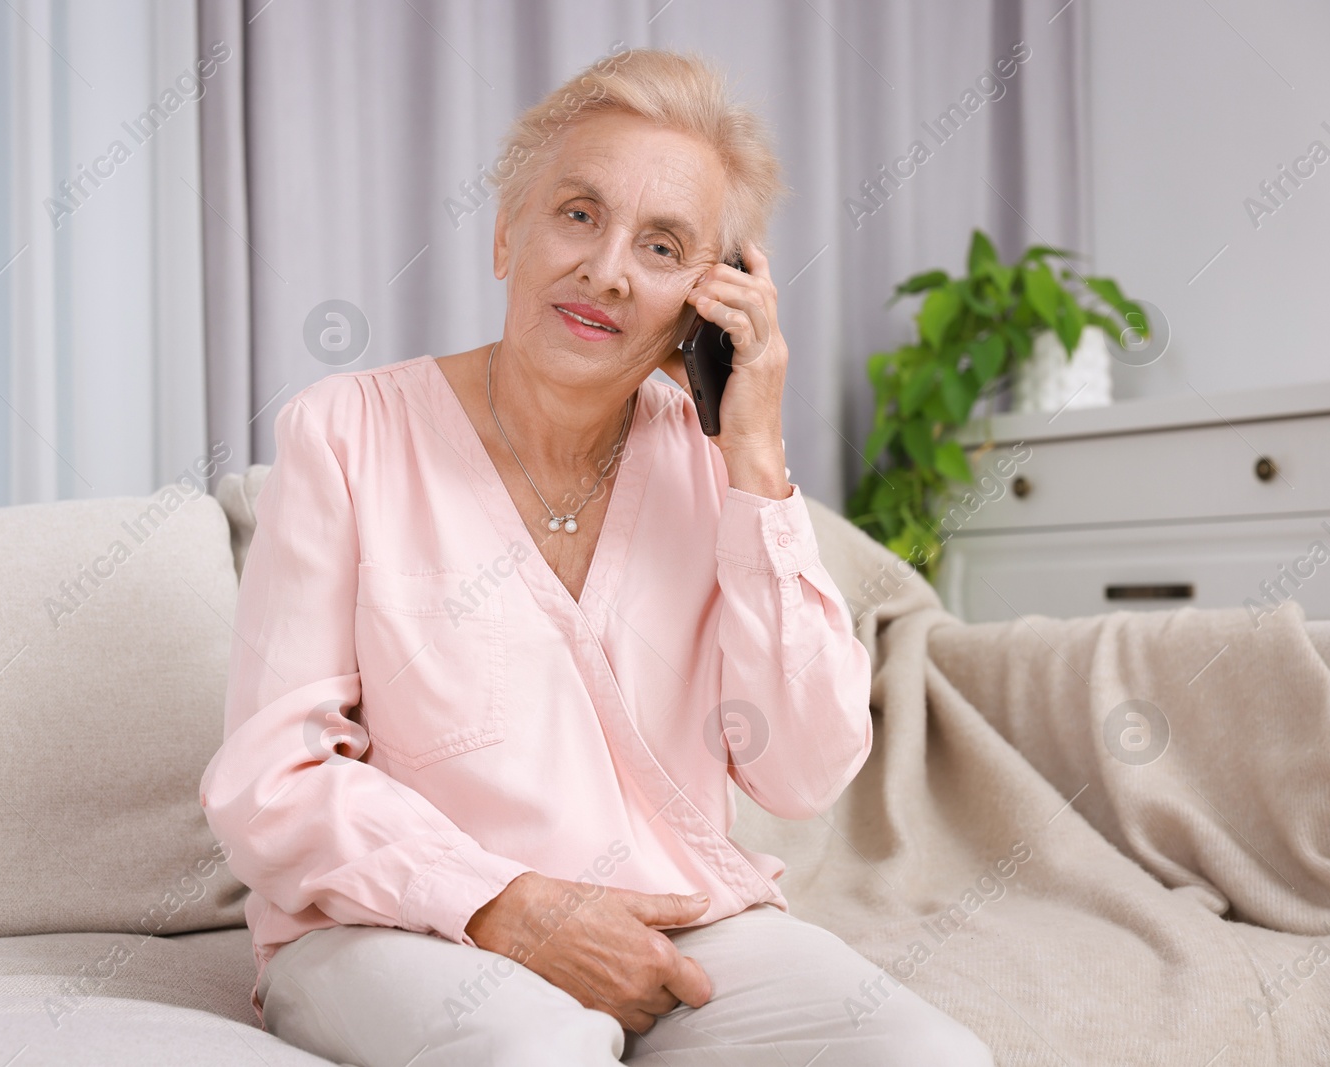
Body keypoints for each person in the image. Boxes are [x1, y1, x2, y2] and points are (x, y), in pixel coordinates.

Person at [199, 46, 993, 1067]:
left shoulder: (716, 469)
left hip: (678, 928)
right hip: (397, 928)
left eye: (662, 246)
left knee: (930, 1057)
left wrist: (753, 453)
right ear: (506, 233)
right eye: (578, 214)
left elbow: (801, 768)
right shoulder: (345, 434)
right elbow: (273, 775)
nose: (608, 269)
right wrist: (503, 905)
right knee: (540, 1050)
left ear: (706, 299)